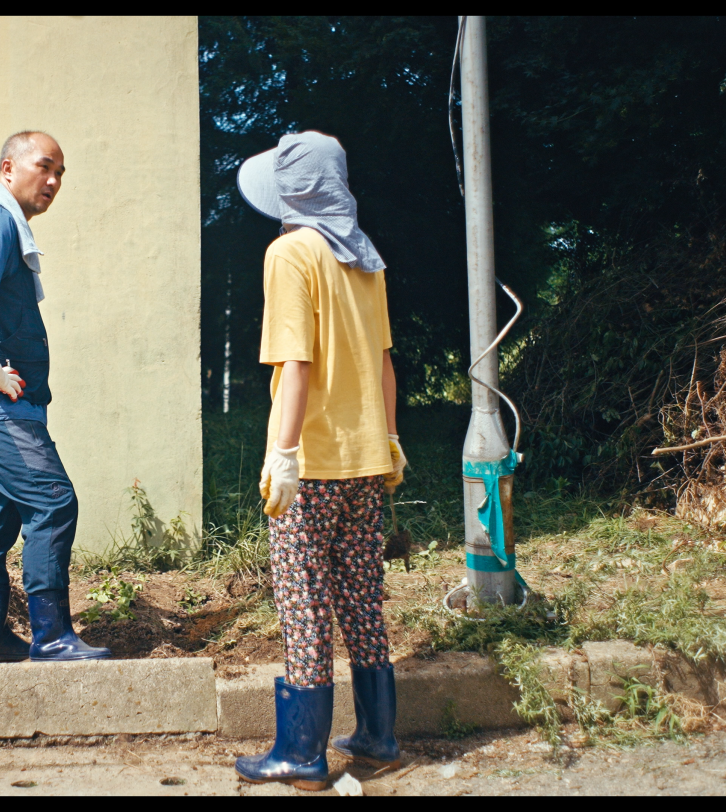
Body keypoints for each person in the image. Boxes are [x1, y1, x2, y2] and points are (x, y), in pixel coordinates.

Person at [232, 131, 406, 790]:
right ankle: (378, 737)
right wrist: (390, 439)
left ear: (294, 193)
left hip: (312, 467)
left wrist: (283, 455)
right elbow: (384, 364)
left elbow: (296, 364)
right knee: (362, 597)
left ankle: (302, 754)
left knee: (303, 603)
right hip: (366, 461)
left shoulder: (290, 253)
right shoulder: (365, 256)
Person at [0, 131, 110, 663]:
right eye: (44, 167)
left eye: (61, 173)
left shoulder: (0, 220)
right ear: (9, 169)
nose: (54, 180)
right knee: (53, 501)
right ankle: (51, 635)